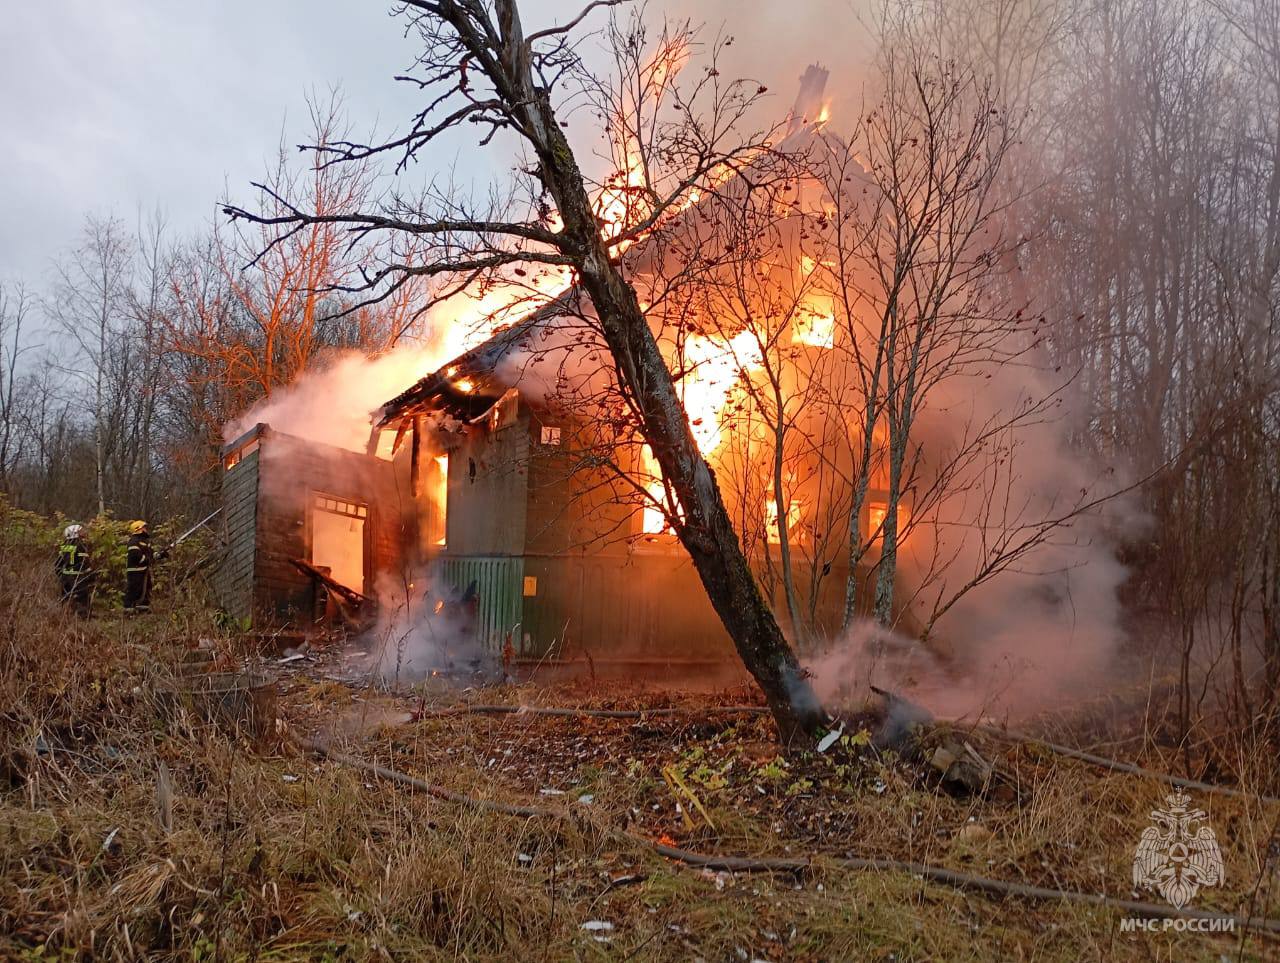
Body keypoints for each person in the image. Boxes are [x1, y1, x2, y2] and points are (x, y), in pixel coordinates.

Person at [56, 524, 94, 617]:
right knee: (83, 597)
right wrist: (91, 575)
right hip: (78, 577)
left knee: (66, 597)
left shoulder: (64, 546)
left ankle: (65, 615)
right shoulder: (80, 546)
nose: (83, 534)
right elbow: (84, 563)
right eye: (80, 532)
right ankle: (83, 616)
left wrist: (61, 574)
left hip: (65, 578)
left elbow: (57, 564)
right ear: (74, 533)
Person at [123, 519, 155, 614]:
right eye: (144, 527)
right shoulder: (133, 542)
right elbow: (136, 556)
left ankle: (143, 610)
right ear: (139, 529)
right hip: (135, 573)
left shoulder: (145, 542)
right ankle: (128, 611)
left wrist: (160, 555)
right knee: (134, 591)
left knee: (145, 591)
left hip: (144, 571)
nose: (146, 529)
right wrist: (148, 560)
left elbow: (150, 555)